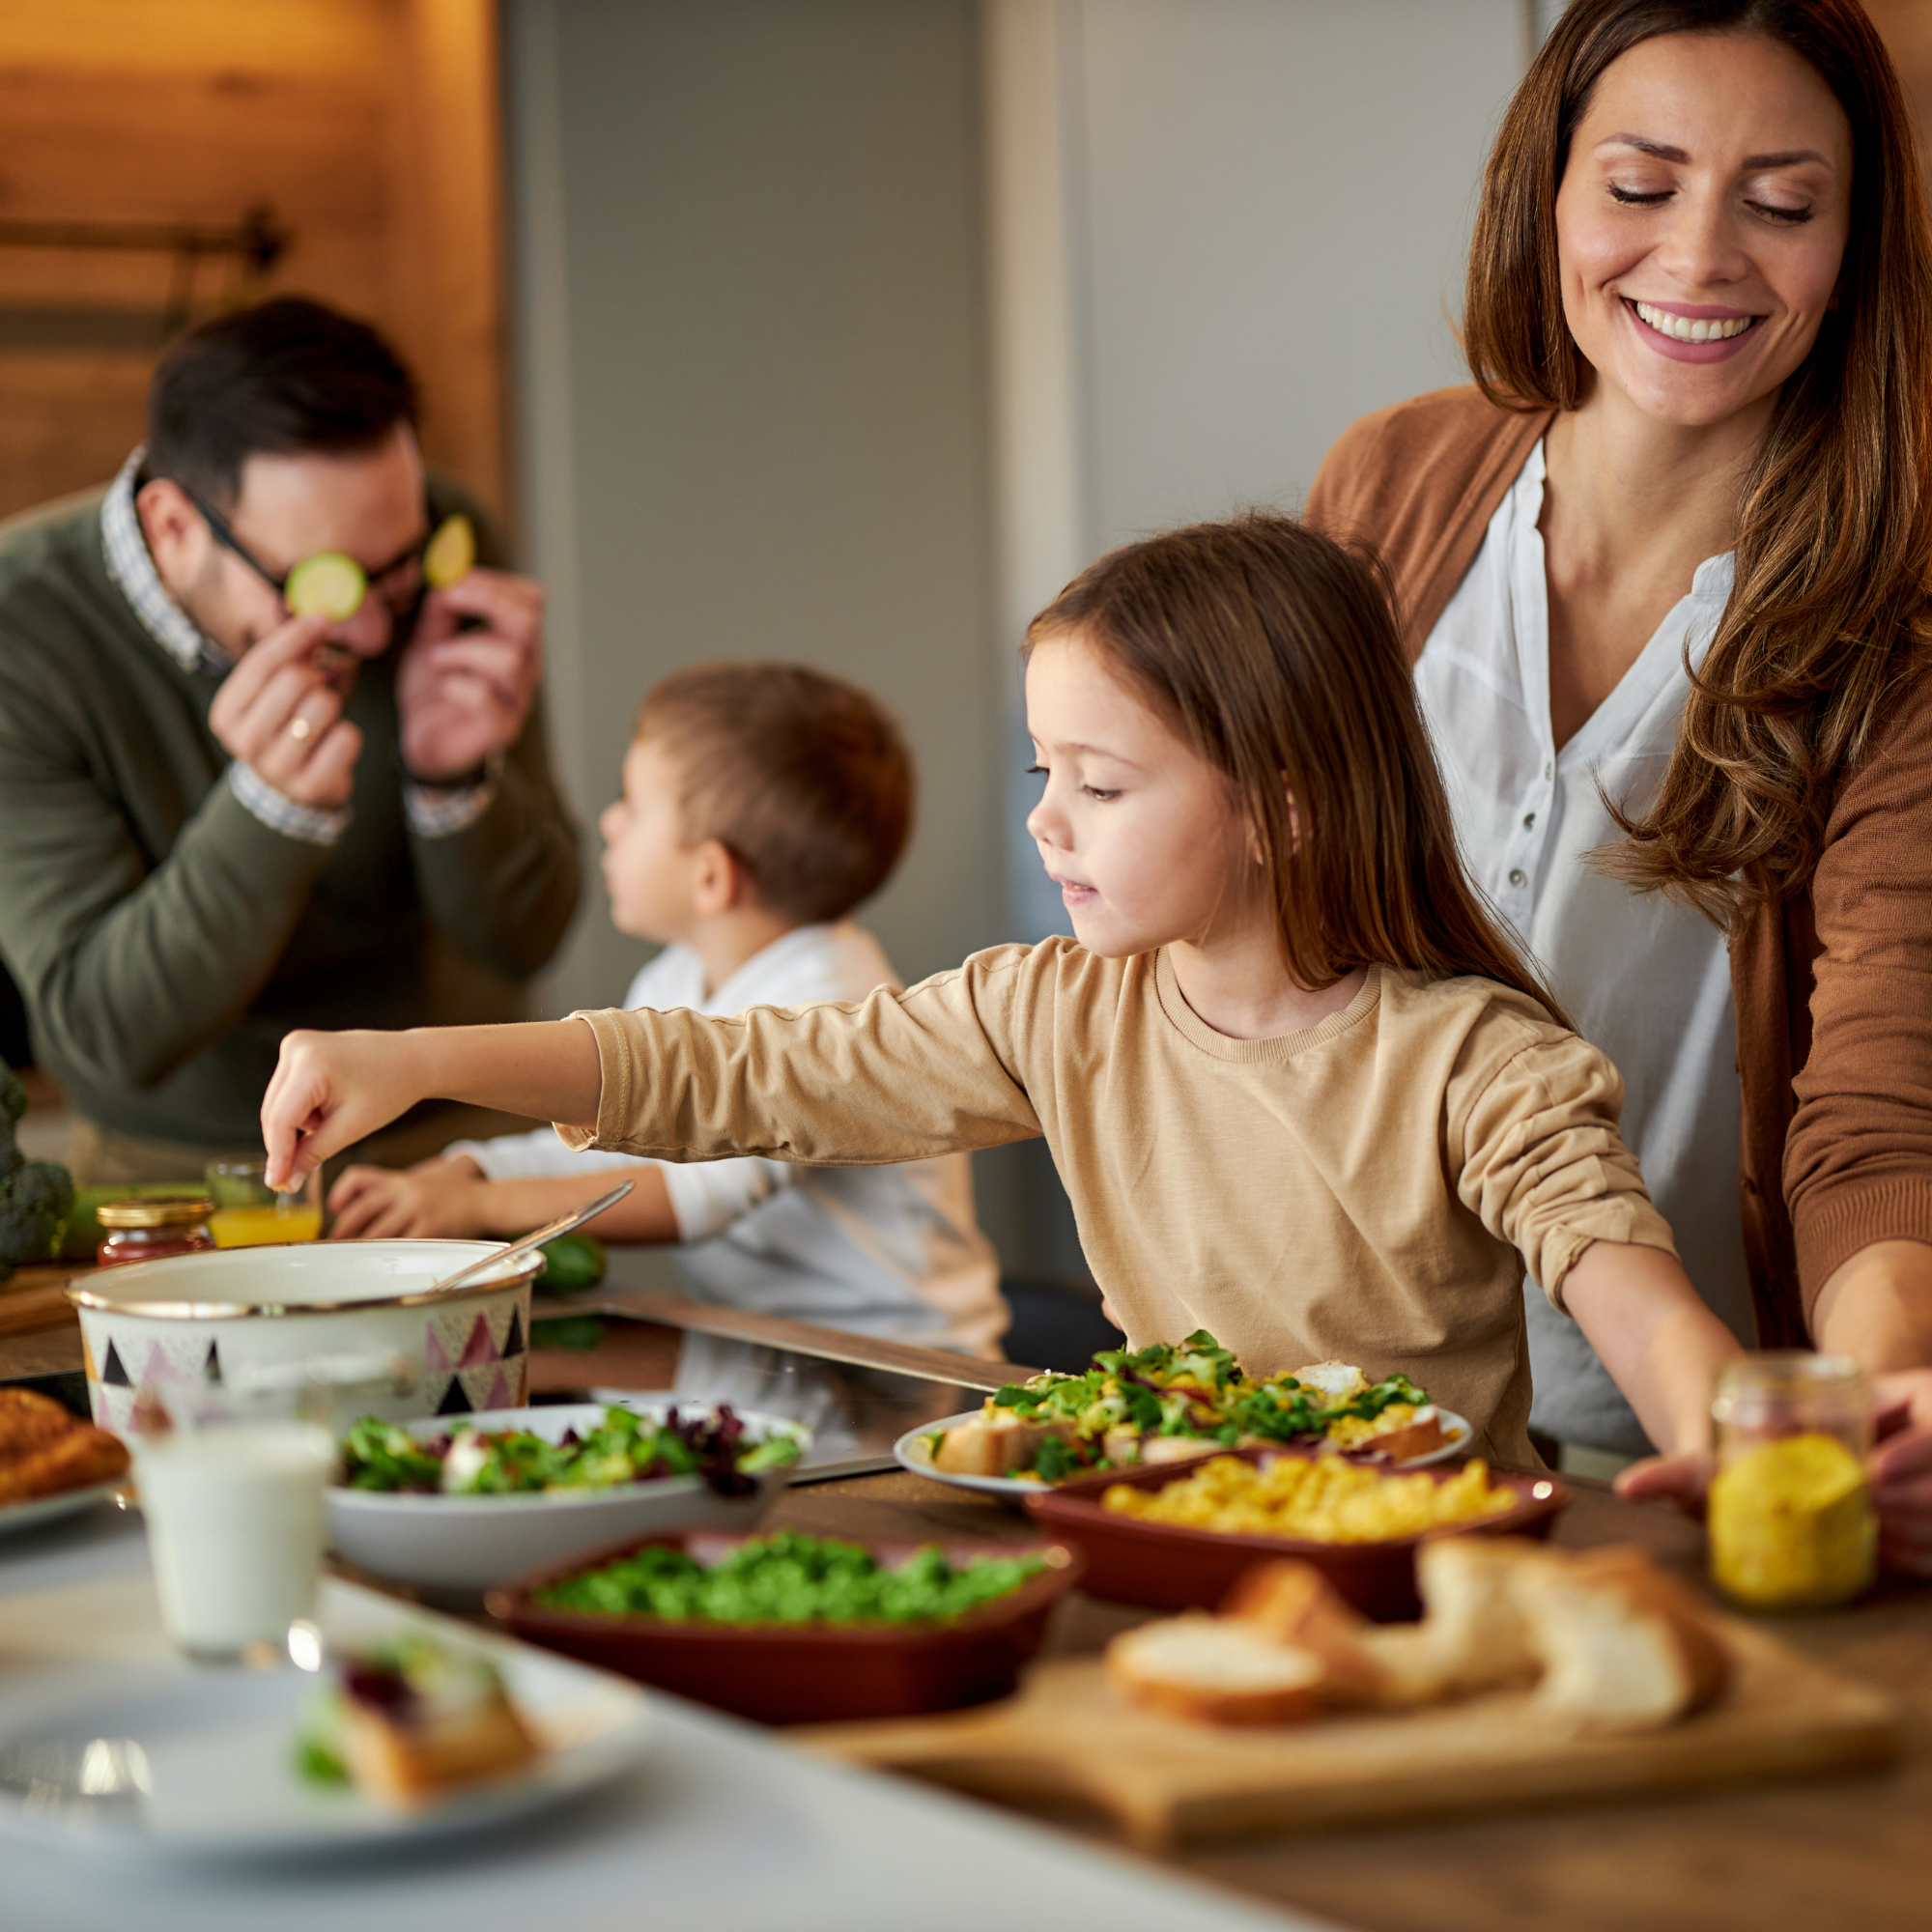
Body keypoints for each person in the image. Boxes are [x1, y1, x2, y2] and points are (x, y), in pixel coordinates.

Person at [257, 514, 1747, 1474]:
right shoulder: (1055, 1012)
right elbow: (734, 1077)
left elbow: (1625, 1284)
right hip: (1160, 1528)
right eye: (1049, 773)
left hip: (1412, 1569)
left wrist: (1729, 1447)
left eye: (1100, 783)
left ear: (1285, 808)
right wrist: (413, 1058)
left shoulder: (1472, 1061)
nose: (1047, 821)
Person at [1307, 0, 1932, 1571]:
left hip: (1661, 1445)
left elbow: (1874, 1112)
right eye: (1642, 187)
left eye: (1783, 203)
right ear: (1550, 193)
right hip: (1316, 1402)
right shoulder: (1390, 486)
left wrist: (1884, 1393)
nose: (1703, 255)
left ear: (1854, 244)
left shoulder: (1897, 617)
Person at [0, 298, 579, 1181]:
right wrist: (268, 811)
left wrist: (453, 783)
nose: (379, 633)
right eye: (329, 581)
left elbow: (527, 939)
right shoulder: (20, 629)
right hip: (180, 1172)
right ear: (175, 528)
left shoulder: (437, 541)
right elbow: (107, 1032)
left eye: (398, 571)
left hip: (448, 1147)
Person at [325, 661, 1006, 1357]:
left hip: (901, 1362)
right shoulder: (678, 977)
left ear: (711, 875)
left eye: (633, 804)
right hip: (771, 1350)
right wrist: (473, 1170)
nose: (610, 821)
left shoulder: (833, 1001)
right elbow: (612, 1131)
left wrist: (477, 1208)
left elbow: (701, 1196)